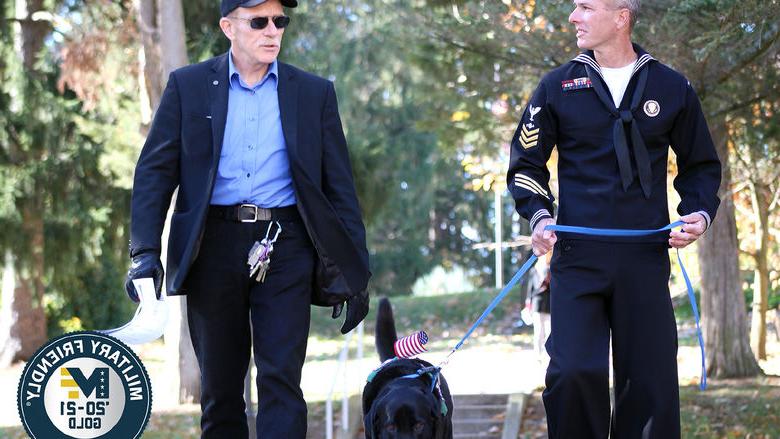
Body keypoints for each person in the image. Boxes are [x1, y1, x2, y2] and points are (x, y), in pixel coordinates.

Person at [124, 0, 370, 437]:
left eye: (280, 21)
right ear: (228, 27)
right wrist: (144, 253)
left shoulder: (314, 94)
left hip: (287, 244)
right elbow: (154, 174)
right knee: (219, 391)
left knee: (281, 383)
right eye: (259, 21)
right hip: (212, 247)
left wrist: (356, 273)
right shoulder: (189, 86)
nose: (272, 30)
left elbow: (340, 190)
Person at [506, 0, 722, 437]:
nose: (573, 17)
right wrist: (539, 216)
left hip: (644, 260)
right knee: (572, 373)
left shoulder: (671, 86)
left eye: (585, 7)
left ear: (621, 16)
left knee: (650, 388)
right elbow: (525, 165)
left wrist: (698, 212)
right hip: (577, 260)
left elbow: (701, 165)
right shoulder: (556, 87)